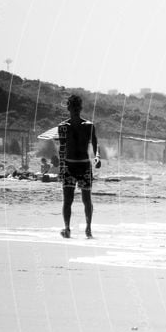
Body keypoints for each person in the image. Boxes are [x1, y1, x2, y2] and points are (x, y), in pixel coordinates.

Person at [57, 94, 100, 239]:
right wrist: (61, 168)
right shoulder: (63, 127)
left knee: (86, 199)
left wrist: (97, 157)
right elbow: (62, 148)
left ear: (80, 108)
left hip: (84, 166)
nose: (75, 109)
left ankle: (88, 228)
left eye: (77, 107)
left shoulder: (88, 126)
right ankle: (67, 228)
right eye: (72, 107)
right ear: (68, 108)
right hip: (69, 166)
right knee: (67, 200)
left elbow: (95, 143)